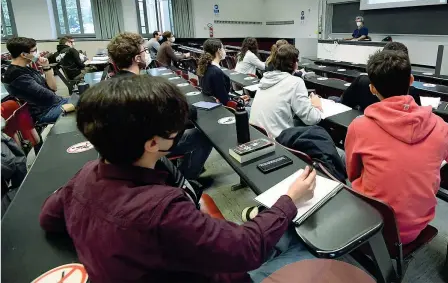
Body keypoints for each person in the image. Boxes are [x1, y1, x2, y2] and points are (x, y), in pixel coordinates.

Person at [39, 75, 317, 282]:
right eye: (172, 130)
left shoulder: (84, 175)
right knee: (305, 249)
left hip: (183, 257)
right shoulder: (161, 210)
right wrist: (290, 200)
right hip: (224, 273)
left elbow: (48, 218)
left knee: (278, 229)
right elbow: (246, 249)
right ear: (151, 144)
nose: (177, 133)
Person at [345, 50, 448, 244]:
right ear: (411, 80)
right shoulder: (440, 126)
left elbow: (352, 174)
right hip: (413, 230)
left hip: (368, 224)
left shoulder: (358, 127)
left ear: (372, 89)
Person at [107, 32, 212, 182]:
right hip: (146, 150)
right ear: (137, 58)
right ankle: (187, 181)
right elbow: (189, 111)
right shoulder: (149, 87)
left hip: (122, 154)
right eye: (144, 51)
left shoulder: (107, 86)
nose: (147, 54)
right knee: (201, 136)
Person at [250, 44, 322, 139]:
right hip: (278, 142)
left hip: (257, 136)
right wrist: (317, 105)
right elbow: (312, 119)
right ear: (294, 64)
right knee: (318, 130)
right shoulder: (296, 82)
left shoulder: (265, 79)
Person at [3, 37, 75, 123]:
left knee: (88, 101)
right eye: (34, 50)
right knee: (87, 105)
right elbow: (46, 94)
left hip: (55, 104)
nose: (38, 53)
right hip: (45, 112)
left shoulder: (27, 68)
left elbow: (53, 88)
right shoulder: (15, 74)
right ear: (23, 55)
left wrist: (46, 67)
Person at [332, 42, 421, 111]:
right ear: (411, 80)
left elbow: (345, 103)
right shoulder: (412, 92)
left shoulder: (362, 81)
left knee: (332, 99)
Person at [197, 38, 249, 106]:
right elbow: (224, 100)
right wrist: (240, 102)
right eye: (223, 48)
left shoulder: (206, 67)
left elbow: (220, 95)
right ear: (219, 50)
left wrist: (237, 98)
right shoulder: (216, 72)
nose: (224, 50)